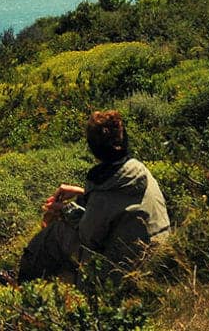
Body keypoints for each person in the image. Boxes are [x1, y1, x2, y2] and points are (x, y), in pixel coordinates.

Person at [18, 110, 171, 282]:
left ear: (93, 149)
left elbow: (88, 238)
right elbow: (117, 204)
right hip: (160, 260)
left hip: (124, 274)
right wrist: (83, 193)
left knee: (57, 233)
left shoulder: (104, 192)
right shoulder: (140, 172)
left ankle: (23, 283)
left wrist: (65, 209)